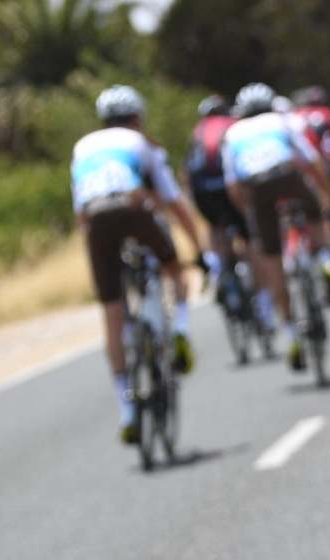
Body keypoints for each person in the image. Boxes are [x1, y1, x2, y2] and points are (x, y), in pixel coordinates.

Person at [69, 85, 205, 444]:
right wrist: (198, 251)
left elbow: (81, 215)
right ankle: (179, 331)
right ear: (137, 118)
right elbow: (174, 202)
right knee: (173, 268)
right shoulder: (141, 143)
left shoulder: (82, 147)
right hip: (131, 206)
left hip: (96, 217)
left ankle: (127, 408)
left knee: (112, 311)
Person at [222, 81, 330, 371]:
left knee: (272, 259)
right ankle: (325, 260)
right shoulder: (282, 120)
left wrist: (249, 212)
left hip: (256, 187)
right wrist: (326, 200)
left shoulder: (232, 132)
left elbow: (233, 184)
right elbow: (311, 160)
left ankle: (291, 334)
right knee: (313, 213)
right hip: (286, 175)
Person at [183, 95, 240, 301]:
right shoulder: (232, 125)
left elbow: (188, 170)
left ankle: (217, 271)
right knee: (247, 230)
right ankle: (263, 299)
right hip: (228, 185)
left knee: (214, 227)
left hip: (203, 191)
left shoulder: (197, 132)